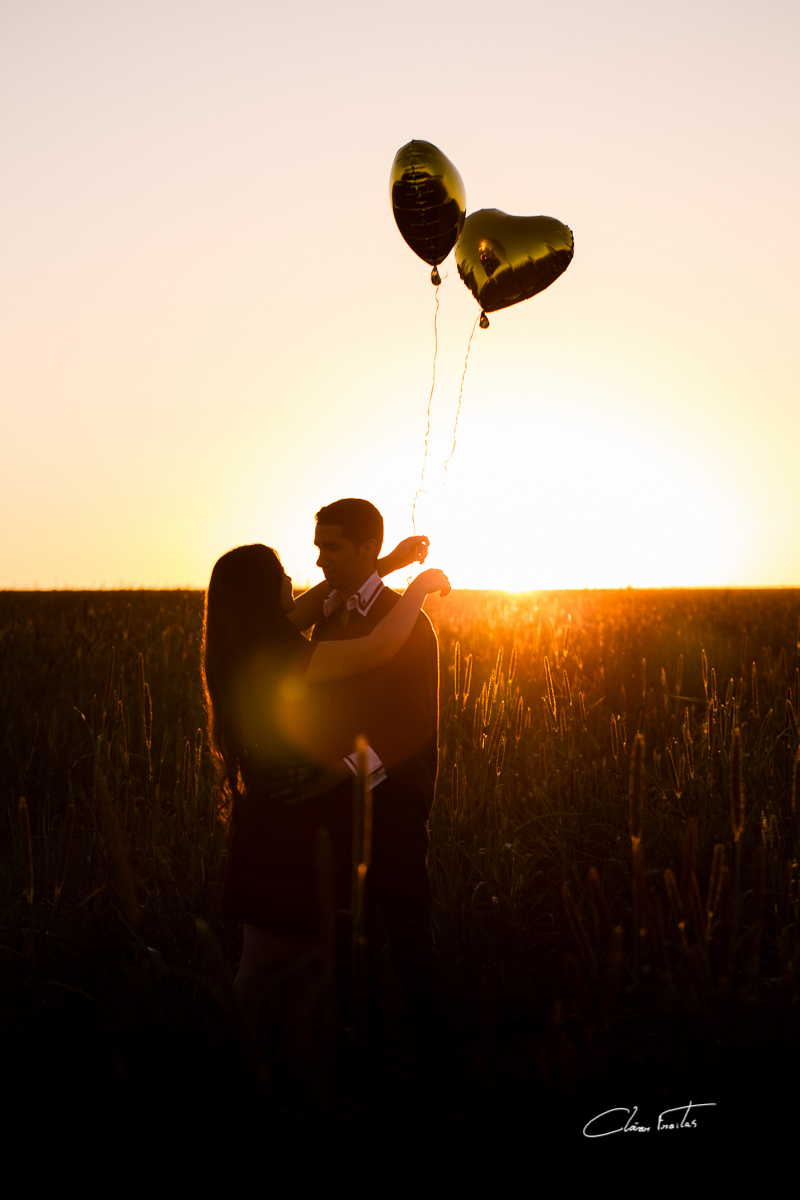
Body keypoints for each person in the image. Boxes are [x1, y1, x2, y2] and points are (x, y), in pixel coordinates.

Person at [201, 539, 448, 1052]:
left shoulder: (247, 643)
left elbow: (313, 600)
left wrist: (381, 566)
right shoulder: (281, 656)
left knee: (296, 978)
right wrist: (422, 586)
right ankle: (218, 1073)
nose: (297, 580)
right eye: (284, 575)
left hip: (275, 819)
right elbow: (380, 646)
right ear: (266, 594)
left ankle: (294, 1095)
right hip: (285, 832)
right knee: (259, 974)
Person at [290, 498, 460, 1103]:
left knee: (413, 947)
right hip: (329, 811)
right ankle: (368, 1087)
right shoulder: (325, 618)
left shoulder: (409, 621)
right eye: (317, 546)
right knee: (347, 953)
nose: (319, 558)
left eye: (332, 547)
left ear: (366, 548)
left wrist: (339, 773)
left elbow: (413, 723)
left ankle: (445, 1090)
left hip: (392, 808)